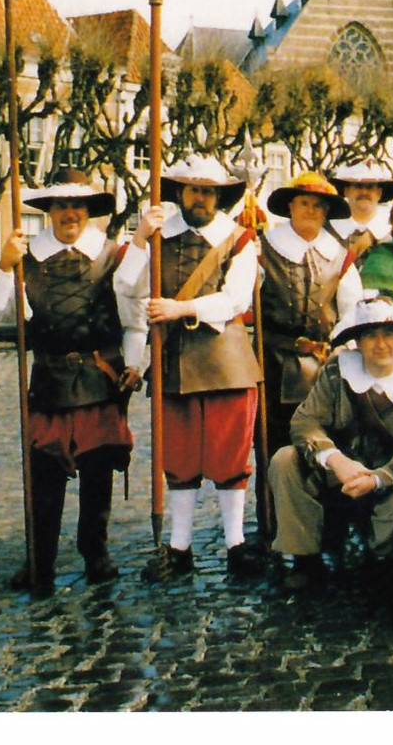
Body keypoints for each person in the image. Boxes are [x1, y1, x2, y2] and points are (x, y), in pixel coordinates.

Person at [0, 168, 145, 596]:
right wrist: (5, 267)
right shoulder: (27, 257)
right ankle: (40, 560)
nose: (69, 213)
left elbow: (135, 319)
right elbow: (3, 315)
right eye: (61, 206)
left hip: (100, 377)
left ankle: (96, 552)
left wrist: (134, 364)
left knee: (98, 471)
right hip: (50, 377)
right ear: (50, 211)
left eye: (78, 206)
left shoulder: (116, 255)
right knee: (45, 474)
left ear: (90, 211)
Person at [115, 155, 264, 580]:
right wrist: (141, 239)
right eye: (193, 189)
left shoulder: (239, 239)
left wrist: (182, 306)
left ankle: (236, 544)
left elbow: (237, 299)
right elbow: (126, 287)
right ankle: (179, 547)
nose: (200, 198)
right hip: (174, 359)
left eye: (208, 191)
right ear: (179, 192)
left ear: (220, 196)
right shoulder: (159, 237)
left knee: (229, 455)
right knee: (179, 457)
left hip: (225, 359)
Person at [266, 295, 393, 590]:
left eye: (388, 334)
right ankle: (306, 558)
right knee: (285, 460)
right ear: (357, 341)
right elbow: (305, 422)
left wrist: (379, 479)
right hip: (341, 475)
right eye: (370, 335)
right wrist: (335, 459)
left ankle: (387, 558)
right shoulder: (336, 372)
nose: (380, 344)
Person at [258, 172, 364, 455]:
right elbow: (244, 304)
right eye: (304, 203)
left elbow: (351, 311)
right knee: (275, 446)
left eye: (318, 205)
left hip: (323, 366)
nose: (311, 210)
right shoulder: (263, 249)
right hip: (271, 366)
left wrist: (342, 351)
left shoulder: (340, 256)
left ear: (326, 212)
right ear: (291, 206)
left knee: (324, 443)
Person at [329, 160, 393, 256]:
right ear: (346, 191)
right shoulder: (329, 231)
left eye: (370, 187)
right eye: (358, 186)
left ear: (379, 193)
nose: (364, 192)